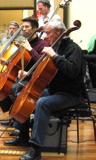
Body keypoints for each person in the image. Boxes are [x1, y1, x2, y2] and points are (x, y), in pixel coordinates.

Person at [18, 19, 84, 160]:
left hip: (71, 94)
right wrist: (28, 75)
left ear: (58, 32)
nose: (46, 36)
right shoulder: (57, 46)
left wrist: (54, 55)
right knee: (24, 93)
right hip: (56, 91)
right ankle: (22, 135)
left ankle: (35, 149)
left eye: (48, 33)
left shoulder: (73, 49)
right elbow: (46, 72)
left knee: (43, 103)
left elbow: (72, 70)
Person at [0, 17, 49, 146]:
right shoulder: (24, 43)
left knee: (16, 89)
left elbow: (42, 64)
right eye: (23, 27)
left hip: (38, 81)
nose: (24, 29)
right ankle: (16, 121)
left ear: (35, 29)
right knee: (1, 86)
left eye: (27, 27)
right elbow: (21, 63)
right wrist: (8, 62)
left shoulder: (42, 44)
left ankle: (22, 132)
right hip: (26, 79)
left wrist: (30, 49)